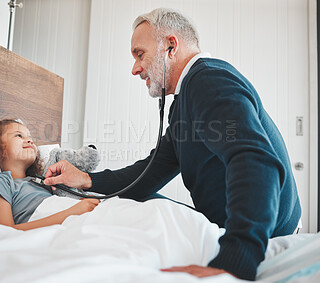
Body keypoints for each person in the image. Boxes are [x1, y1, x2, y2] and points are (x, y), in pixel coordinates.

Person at [42, 8, 301, 281]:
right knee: (141, 206)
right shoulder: (185, 102)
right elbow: (147, 174)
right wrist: (85, 179)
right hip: (242, 230)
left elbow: (256, 162)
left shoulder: (207, 81)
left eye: (139, 54)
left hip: (269, 241)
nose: (134, 69)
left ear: (170, 45)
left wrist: (236, 260)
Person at [0, 119, 100, 231]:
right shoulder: (3, 182)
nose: (29, 141)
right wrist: (73, 212)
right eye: (19, 136)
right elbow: (5, 231)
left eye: (30, 138)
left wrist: (81, 202)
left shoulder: (40, 180)